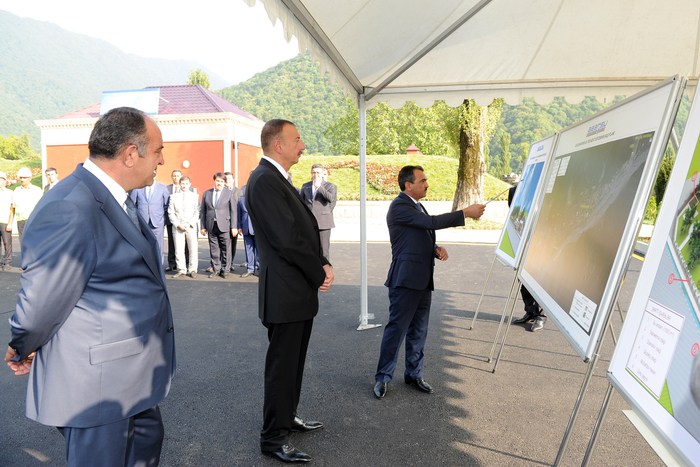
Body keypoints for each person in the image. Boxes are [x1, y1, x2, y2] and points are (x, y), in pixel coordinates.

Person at [4, 107, 176, 466]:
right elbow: (42, 302)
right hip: (98, 385)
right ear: (131, 154)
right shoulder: (70, 207)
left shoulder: (111, 196)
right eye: (158, 150)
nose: (162, 159)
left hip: (129, 376)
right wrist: (24, 343)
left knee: (145, 446)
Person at [246, 119, 334, 463]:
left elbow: (304, 231)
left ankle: (286, 417)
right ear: (278, 145)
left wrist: (322, 261)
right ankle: (272, 439)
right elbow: (288, 240)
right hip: (286, 293)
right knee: (283, 368)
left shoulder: (276, 179)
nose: (303, 145)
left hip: (294, 293)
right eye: (296, 139)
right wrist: (319, 272)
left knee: (293, 364)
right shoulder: (265, 180)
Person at [373, 165, 485, 399]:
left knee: (419, 331)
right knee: (396, 330)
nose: (427, 184)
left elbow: (413, 236)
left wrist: (434, 248)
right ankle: (383, 377)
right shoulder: (399, 206)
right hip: (405, 280)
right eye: (422, 180)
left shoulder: (415, 205)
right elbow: (430, 223)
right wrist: (465, 213)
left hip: (422, 280)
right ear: (408, 185)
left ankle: (414, 374)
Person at [507, 186, 547, 332]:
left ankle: (540, 316)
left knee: (537, 279)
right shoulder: (514, 191)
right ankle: (530, 312)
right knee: (522, 278)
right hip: (522, 241)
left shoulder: (545, 188)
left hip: (541, 241)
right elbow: (513, 216)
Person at [200, 172, 237, 278]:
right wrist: (203, 226)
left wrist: (234, 226)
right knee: (214, 248)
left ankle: (225, 269)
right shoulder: (207, 193)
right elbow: (203, 211)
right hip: (211, 225)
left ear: (224, 182)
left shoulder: (229, 193)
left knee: (226, 248)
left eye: (221, 181)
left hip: (224, 224)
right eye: (217, 181)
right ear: (214, 181)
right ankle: (216, 269)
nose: (219, 183)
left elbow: (233, 211)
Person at [131, 174, 170, 265]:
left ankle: (158, 268)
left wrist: (159, 214)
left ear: (156, 175)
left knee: (158, 246)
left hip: (157, 222)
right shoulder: (138, 187)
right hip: (143, 223)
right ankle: (145, 268)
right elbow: (132, 204)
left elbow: (167, 204)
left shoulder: (162, 187)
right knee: (143, 245)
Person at [300, 163, 337, 260]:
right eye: (313, 172)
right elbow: (301, 203)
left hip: (323, 223)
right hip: (309, 223)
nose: (315, 175)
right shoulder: (306, 186)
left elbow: (331, 199)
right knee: (310, 249)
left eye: (318, 172)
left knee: (324, 251)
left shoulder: (330, 186)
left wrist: (319, 187)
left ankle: (325, 272)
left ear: (322, 173)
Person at [168, 176, 200, 278]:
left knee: (193, 249)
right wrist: (178, 224)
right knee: (178, 250)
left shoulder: (195, 197)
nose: (184, 186)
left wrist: (189, 223)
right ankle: (181, 269)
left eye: (186, 184)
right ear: (180, 184)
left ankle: (192, 269)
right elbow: (170, 213)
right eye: (182, 184)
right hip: (178, 227)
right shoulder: (173, 197)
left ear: (190, 184)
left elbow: (197, 212)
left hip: (191, 227)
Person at [11, 166, 42, 247]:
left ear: (30, 178)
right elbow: (13, 207)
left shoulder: (37, 190)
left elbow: (41, 207)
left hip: (33, 221)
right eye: (21, 177)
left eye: (24, 178)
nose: (22, 180)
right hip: (20, 221)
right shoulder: (16, 190)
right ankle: (25, 259)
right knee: (22, 243)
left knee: (34, 241)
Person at [237, 184, 258, 278]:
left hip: (257, 229)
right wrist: (239, 227)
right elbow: (239, 214)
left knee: (259, 251)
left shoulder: (260, 198)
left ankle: (260, 269)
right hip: (246, 228)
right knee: (248, 250)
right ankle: (250, 269)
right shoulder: (241, 199)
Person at [225, 172, 243, 271]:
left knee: (232, 244)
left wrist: (238, 225)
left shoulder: (239, 192)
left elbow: (240, 210)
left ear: (233, 180)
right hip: (222, 222)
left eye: (230, 179)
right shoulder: (221, 191)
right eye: (226, 179)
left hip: (234, 223)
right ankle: (220, 263)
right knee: (221, 244)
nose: (228, 180)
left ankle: (230, 263)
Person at [165, 169, 183, 272]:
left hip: (183, 221)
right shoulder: (166, 188)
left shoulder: (185, 188)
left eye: (178, 176)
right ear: (172, 177)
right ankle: (172, 263)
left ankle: (185, 263)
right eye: (174, 176)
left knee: (184, 244)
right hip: (171, 220)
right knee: (171, 242)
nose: (176, 177)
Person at [0, 171, 12, 271]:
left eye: (1, 179)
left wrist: (10, 222)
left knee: (7, 243)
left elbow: (12, 209)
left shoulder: (9, 193)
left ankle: (7, 262)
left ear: (5, 181)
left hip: (5, 221)